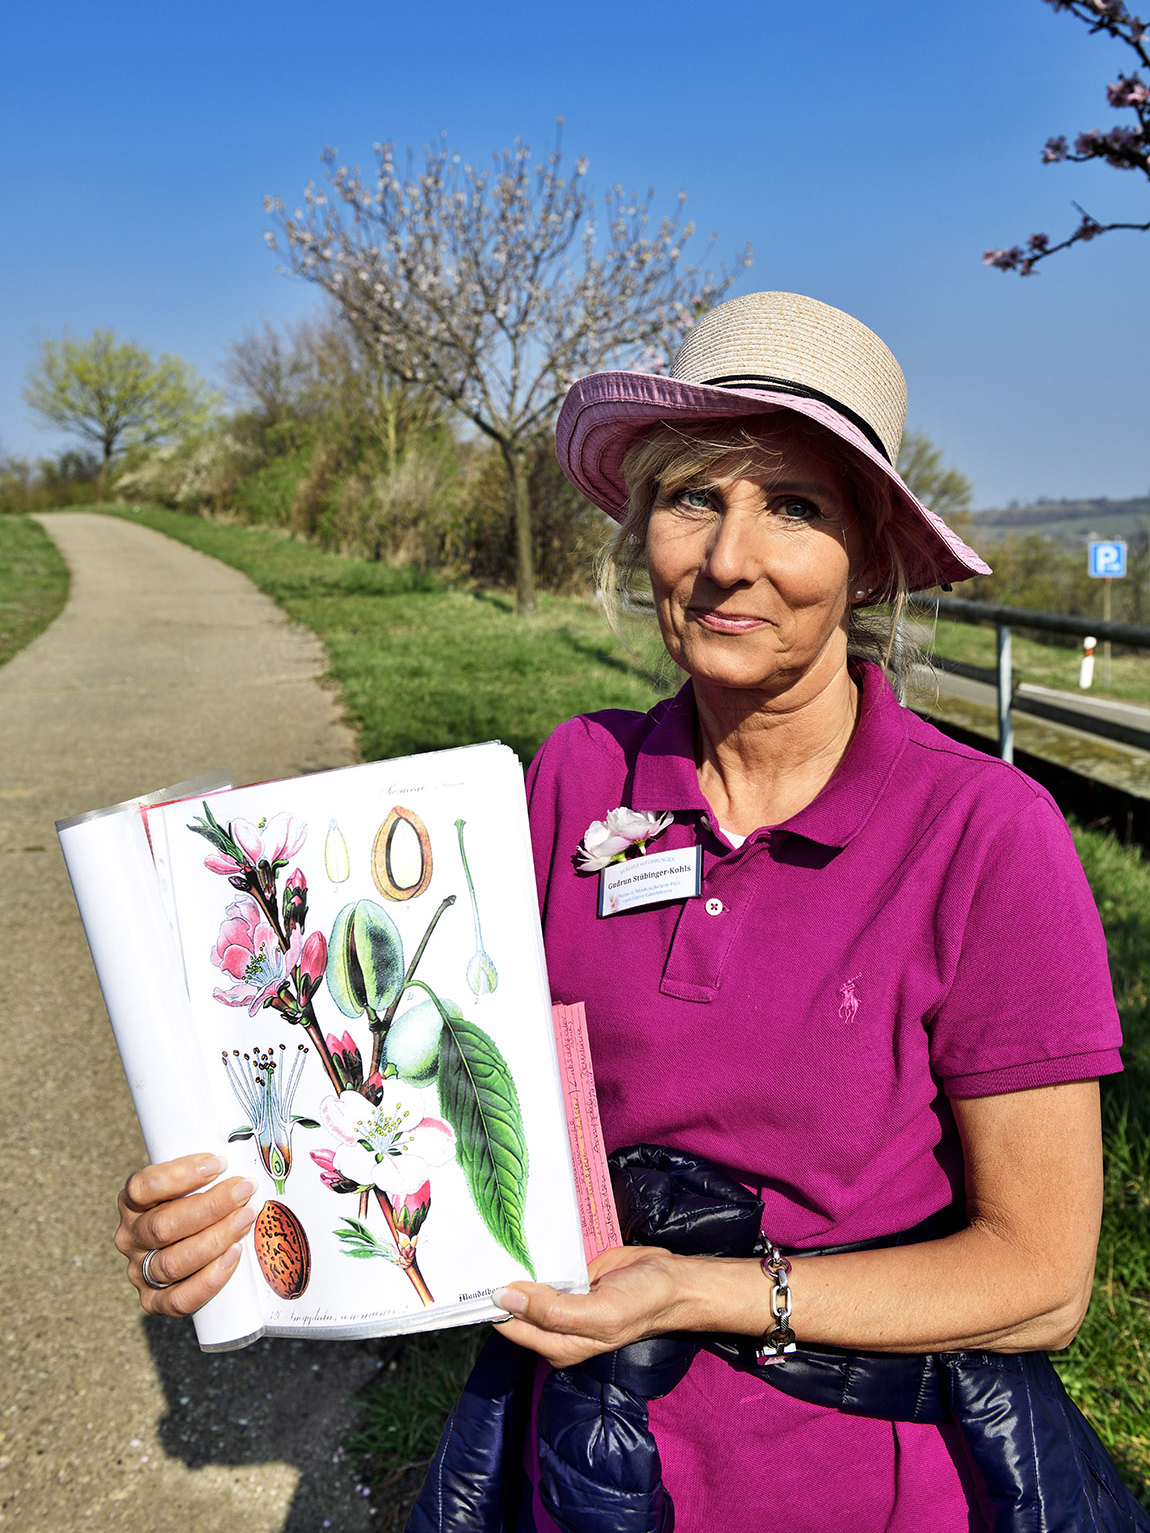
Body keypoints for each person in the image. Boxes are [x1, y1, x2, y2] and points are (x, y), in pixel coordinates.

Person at [115, 292, 1125, 1532]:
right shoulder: (571, 779)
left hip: (851, 1479)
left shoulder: (982, 834)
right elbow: (409, 1093)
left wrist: (699, 1294)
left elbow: (1037, 1281)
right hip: (586, 1468)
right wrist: (237, 1200)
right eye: (693, 497)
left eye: (793, 508)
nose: (726, 559)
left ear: (865, 560)